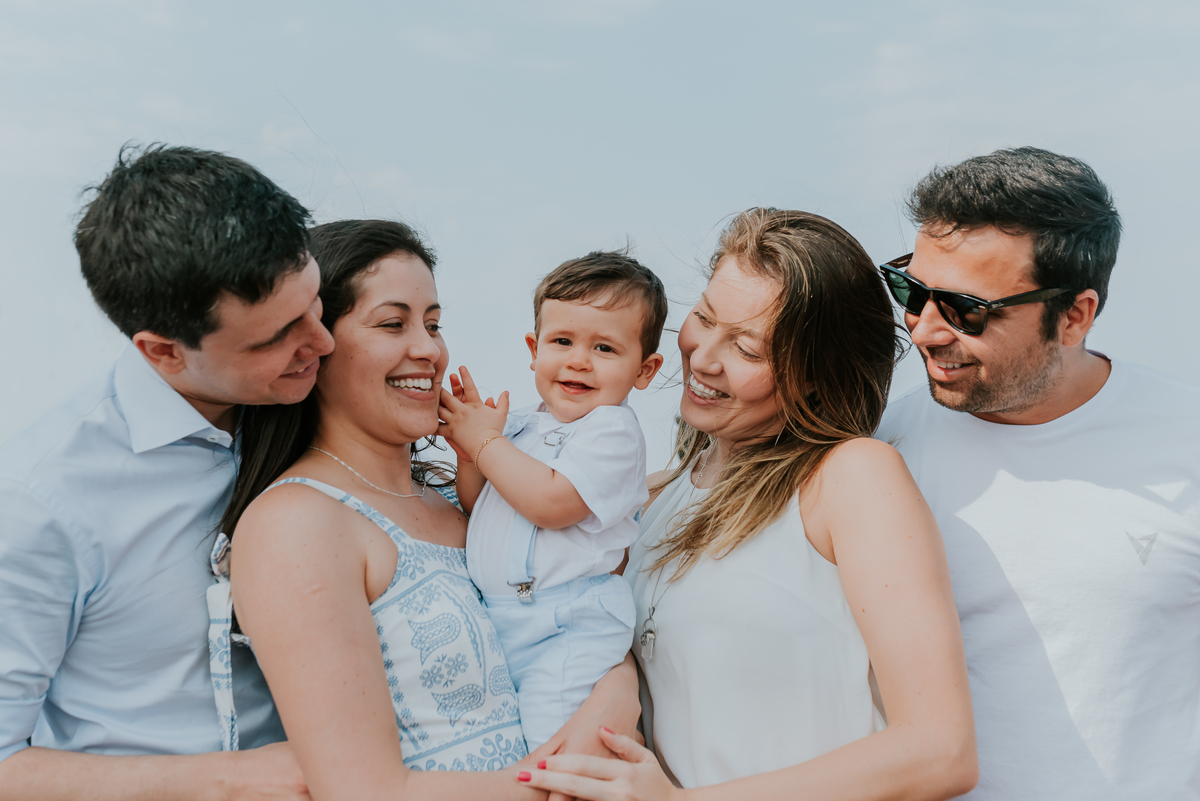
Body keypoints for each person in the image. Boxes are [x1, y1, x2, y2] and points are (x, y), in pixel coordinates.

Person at [520, 208, 978, 800]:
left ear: (815, 372)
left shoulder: (850, 477)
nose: (704, 358)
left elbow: (941, 751)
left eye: (747, 347)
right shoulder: (652, 498)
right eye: (704, 318)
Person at [214, 219, 641, 801]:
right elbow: (364, 791)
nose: (429, 350)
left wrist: (618, 687)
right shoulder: (297, 522)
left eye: (434, 324)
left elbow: (575, 614)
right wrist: (570, 769)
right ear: (315, 345)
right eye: (394, 323)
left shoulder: (464, 504)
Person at [0, 144, 334, 800]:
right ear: (161, 350)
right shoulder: (41, 499)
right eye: (277, 337)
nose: (322, 342)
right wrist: (230, 779)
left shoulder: (312, 399)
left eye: (314, 302)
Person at [872, 147, 1200, 799]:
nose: (924, 329)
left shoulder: (1186, 440)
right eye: (910, 289)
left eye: (966, 308)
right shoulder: (877, 449)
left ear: (1075, 315)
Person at [437, 252, 667, 750]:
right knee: (510, 743)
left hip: (566, 625)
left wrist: (485, 445)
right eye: (562, 341)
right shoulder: (519, 425)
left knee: (557, 747)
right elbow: (482, 506)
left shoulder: (613, 432)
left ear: (644, 370)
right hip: (505, 617)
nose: (578, 360)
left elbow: (551, 502)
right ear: (534, 347)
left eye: (605, 348)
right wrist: (470, 454)